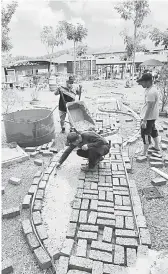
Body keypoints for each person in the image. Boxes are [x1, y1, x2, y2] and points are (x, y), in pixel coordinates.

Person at [137, 73, 160, 156]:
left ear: (148, 82)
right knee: (153, 130)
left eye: (142, 82)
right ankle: (157, 146)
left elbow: (149, 107)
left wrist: (144, 120)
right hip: (152, 116)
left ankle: (144, 152)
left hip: (148, 117)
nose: (141, 84)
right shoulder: (151, 89)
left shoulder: (151, 92)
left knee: (145, 134)